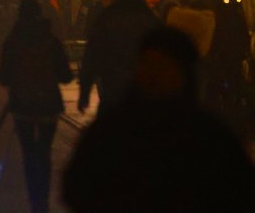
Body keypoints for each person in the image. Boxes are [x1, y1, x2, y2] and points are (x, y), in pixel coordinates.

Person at [63, 27, 255, 212]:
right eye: (148, 65)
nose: (154, 75)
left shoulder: (209, 136)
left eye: (164, 67)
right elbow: (78, 188)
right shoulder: (112, 130)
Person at [0, 0, 73, 213]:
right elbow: (65, 75)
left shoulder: (13, 41)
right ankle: (44, 198)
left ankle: (35, 200)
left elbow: (4, 77)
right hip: (49, 105)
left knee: (29, 153)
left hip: (23, 106)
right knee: (44, 153)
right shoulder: (51, 40)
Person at [78, 0, 159, 115]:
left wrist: (85, 91)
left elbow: (92, 55)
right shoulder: (151, 19)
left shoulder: (108, 17)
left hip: (113, 87)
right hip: (143, 89)